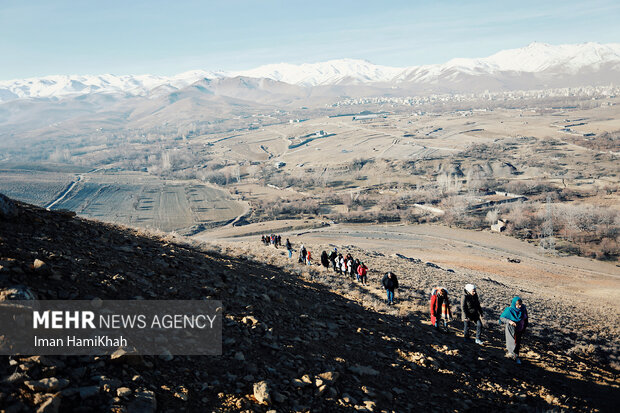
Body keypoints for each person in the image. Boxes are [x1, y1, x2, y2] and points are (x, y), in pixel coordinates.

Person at [500, 296, 529, 364]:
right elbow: (502, 318)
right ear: (514, 304)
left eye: (520, 304)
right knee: (513, 342)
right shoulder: (509, 310)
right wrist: (510, 321)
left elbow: (526, 318)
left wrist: (525, 326)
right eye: (518, 305)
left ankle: (516, 356)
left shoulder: (523, 308)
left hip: (520, 329)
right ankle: (512, 356)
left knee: (518, 343)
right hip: (512, 329)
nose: (519, 306)